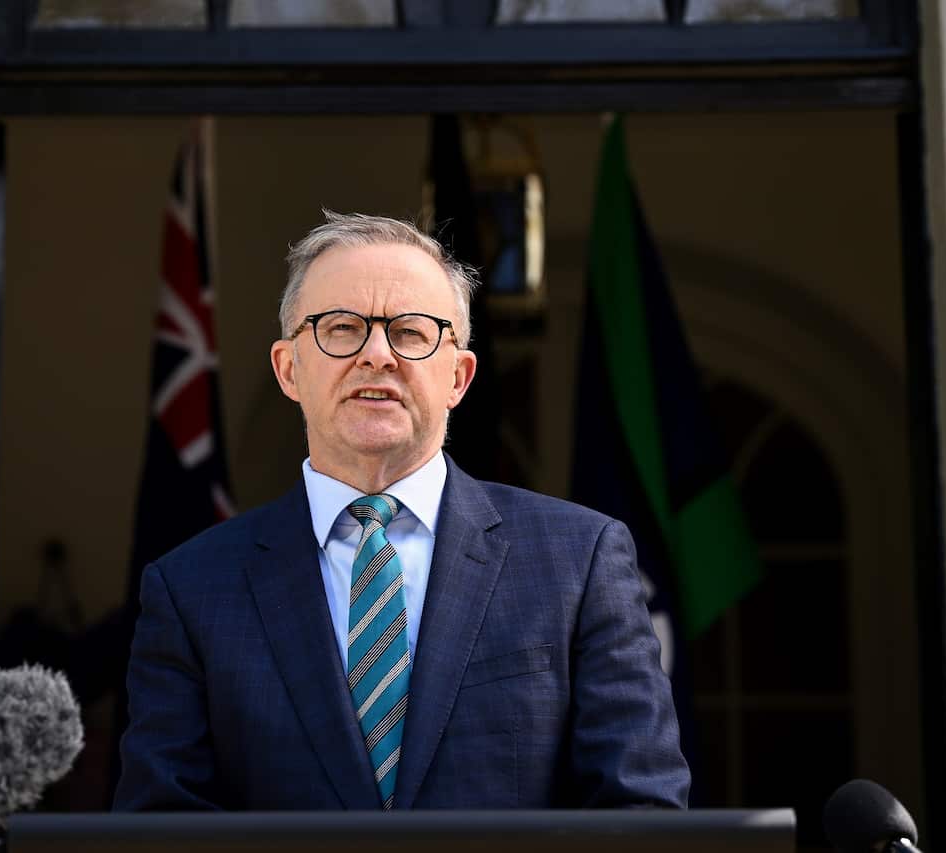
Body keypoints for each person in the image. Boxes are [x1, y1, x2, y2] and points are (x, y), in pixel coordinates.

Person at [114, 211, 690, 811]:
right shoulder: (190, 589)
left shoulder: (580, 560)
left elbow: (639, 815)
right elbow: (162, 831)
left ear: (459, 378)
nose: (377, 356)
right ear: (289, 370)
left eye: (411, 332)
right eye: (341, 328)